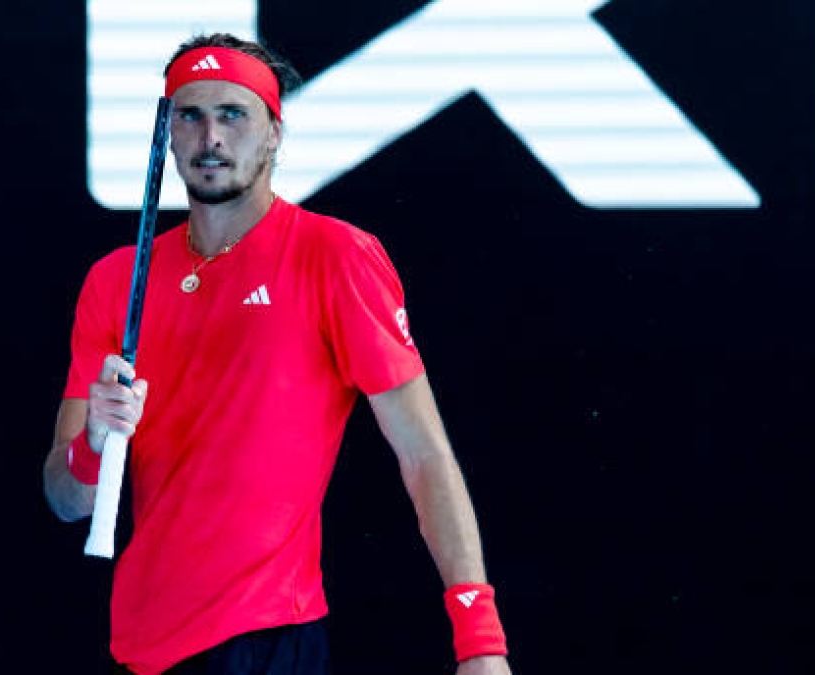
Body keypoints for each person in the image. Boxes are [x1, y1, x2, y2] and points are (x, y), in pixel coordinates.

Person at [43, 33, 513, 675]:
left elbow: (424, 455)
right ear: (168, 133)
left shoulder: (335, 257)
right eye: (191, 114)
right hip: (137, 644)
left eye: (233, 114)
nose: (212, 136)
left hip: (267, 638)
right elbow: (67, 499)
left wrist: (479, 639)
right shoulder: (115, 280)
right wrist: (94, 441)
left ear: (273, 135)